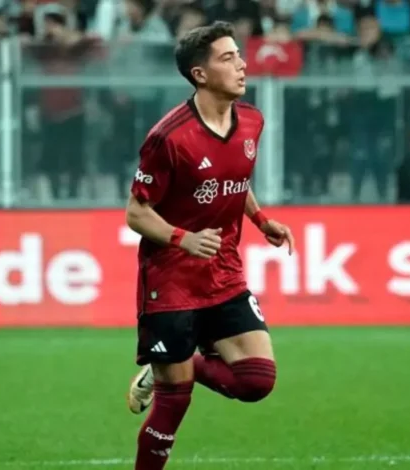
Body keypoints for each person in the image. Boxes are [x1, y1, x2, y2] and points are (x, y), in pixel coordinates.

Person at [124, 21, 295, 470]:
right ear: (200, 74)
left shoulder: (252, 121)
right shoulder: (168, 138)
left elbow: (233, 179)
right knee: (174, 404)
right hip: (171, 283)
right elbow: (136, 213)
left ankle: (174, 364)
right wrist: (183, 238)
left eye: (239, 54)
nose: (242, 64)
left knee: (257, 380)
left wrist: (260, 219)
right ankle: (170, 373)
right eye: (228, 58)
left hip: (223, 274)